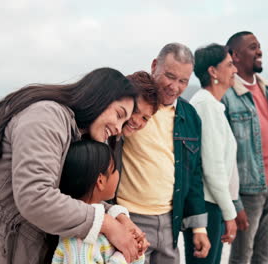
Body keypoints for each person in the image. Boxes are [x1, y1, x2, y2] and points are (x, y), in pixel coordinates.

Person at [0, 67, 143, 264]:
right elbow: (36, 197)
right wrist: (107, 224)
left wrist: (119, 217)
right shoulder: (47, 116)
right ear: (99, 97)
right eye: (119, 115)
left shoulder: (74, 134)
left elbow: (69, 196)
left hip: (17, 246)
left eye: (124, 123)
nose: (118, 128)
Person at [116, 43, 210, 264]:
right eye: (169, 76)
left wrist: (199, 227)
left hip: (170, 221)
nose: (174, 87)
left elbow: (194, 172)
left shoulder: (190, 116)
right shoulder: (130, 106)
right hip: (129, 218)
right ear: (154, 66)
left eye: (183, 81)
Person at [222, 31, 268, 263]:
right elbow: (224, 156)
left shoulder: (267, 89)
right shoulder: (227, 95)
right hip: (246, 191)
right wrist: (235, 203)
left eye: (259, 46)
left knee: (264, 252)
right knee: (242, 256)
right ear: (235, 55)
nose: (260, 51)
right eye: (253, 47)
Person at [185, 44, 239, 264]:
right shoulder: (205, 105)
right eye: (229, 64)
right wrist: (230, 213)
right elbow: (213, 167)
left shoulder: (213, 106)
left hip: (213, 204)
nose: (235, 70)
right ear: (213, 71)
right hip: (205, 207)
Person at [52, 140, 145, 264]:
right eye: (114, 170)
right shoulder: (77, 243)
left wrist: (136, 251)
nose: (118, 173)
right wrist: (124, 255)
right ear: (100, 181)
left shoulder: (109, 225)